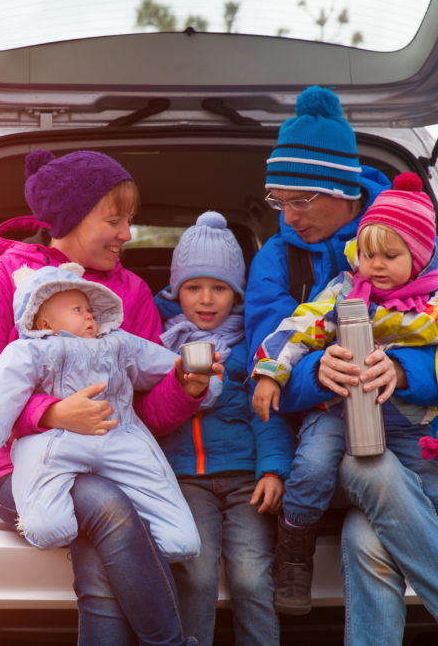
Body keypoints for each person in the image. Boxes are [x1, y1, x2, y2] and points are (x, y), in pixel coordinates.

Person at [245, 85, 438, 643]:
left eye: (301, 200)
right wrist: (312, 371)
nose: (289, 216)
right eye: (280, 201)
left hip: (408, 436)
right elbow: (271, 343)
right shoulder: (280, 259)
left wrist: (400, 374)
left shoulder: (419, 243)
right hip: (317, 449)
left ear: (342, 191)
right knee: (365, 465)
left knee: (369, 544)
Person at [0, 148, 205, 646]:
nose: (127, 235)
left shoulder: (130, 293)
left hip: (112, 459)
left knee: (98, 559)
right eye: (113, 220)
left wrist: (184, 388)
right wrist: (49, 414)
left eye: (129, 220)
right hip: (17, 466)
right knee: (106, 504)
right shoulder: (3, 278)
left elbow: (145, 415)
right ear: (67, 220)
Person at [0, 262, 212, 560]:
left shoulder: (119, 344)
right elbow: (1, 386)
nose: (88, 315)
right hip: (56, 440)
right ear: (44, 324)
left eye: (89, 309)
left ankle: (175, 538)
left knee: (179, 536)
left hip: (120, 436)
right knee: (46, 515)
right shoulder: (30, 351)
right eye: (76, 310)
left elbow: (160, 364)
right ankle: (49, 523)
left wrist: (191, 375)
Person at [151, 211, 294, 646]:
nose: (206, 299)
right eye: (194, 287)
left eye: (220, 288)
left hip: (244, 481)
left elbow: (265, 414)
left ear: (237, 294)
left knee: (251, 577)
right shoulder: (159, 344)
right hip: (186, 482)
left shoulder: (250, 348)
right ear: (177, 292)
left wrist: (273, 471)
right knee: (196, 573)